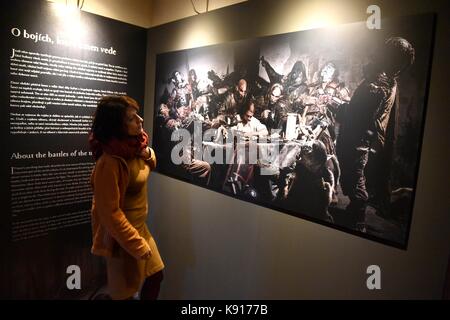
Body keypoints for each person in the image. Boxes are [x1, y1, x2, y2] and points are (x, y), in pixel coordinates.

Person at [89, 96, 164, 300]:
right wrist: (136, 245)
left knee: (156, 275)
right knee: (125, 294)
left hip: (141, 228)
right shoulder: (110, 163)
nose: (140, 120)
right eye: (132, 118)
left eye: (137, 115)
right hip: (121, 239)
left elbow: (152, 161)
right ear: (117, 126)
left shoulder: (135, 148)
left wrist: (147, 153)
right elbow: (110, 214)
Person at [336, 37, 415, 231]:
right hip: (357, 140)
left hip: (357, 142)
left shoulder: (380, 84)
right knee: (351, 180)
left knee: (356, 184)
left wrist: (342, 108)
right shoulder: (383, 80)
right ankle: (354, 215)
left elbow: (363, 118)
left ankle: (357, 222)